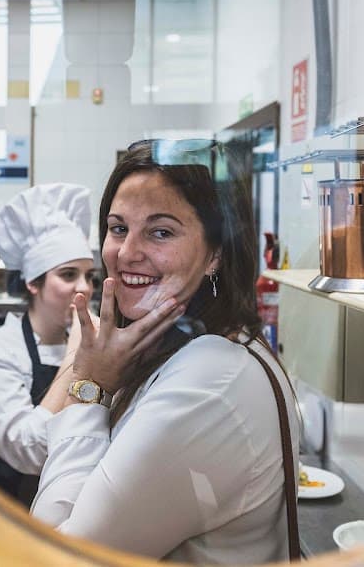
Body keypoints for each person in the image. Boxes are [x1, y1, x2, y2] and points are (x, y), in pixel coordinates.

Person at [30, 141, 300, 564]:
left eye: (161, 232)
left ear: (215, 254)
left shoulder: (208, 382)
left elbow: (55, 553)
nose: (126, 253)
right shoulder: (191, 349)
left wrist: (91, 386)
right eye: (118, 228)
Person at [0, 183, 97, 505]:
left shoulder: (84, 347)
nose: (84, 288)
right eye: (68, 275)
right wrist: (78, 354)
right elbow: (30, 451)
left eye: (89, 276)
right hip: (0, 519)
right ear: (33, 282)